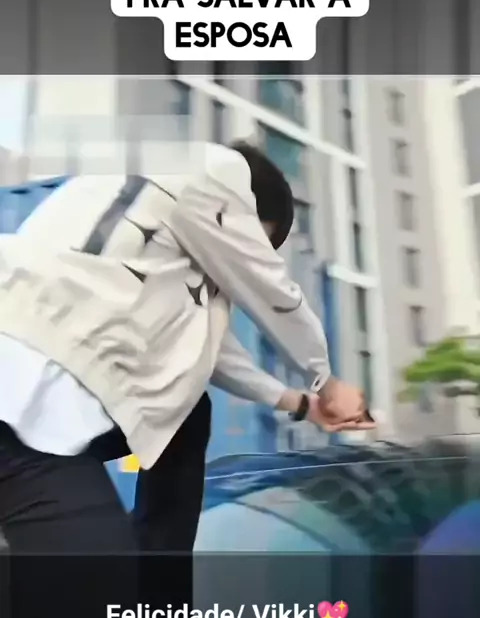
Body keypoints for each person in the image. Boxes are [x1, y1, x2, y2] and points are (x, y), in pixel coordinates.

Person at [0, 139, 373, 554]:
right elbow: (273, 295)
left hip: (31, 404)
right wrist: (326, 380)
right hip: (21, 404)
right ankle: (155, 577)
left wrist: (300, 403)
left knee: (188, 406)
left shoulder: (136, 199)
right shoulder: (214, 183)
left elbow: (208, 352)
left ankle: (155, 572)